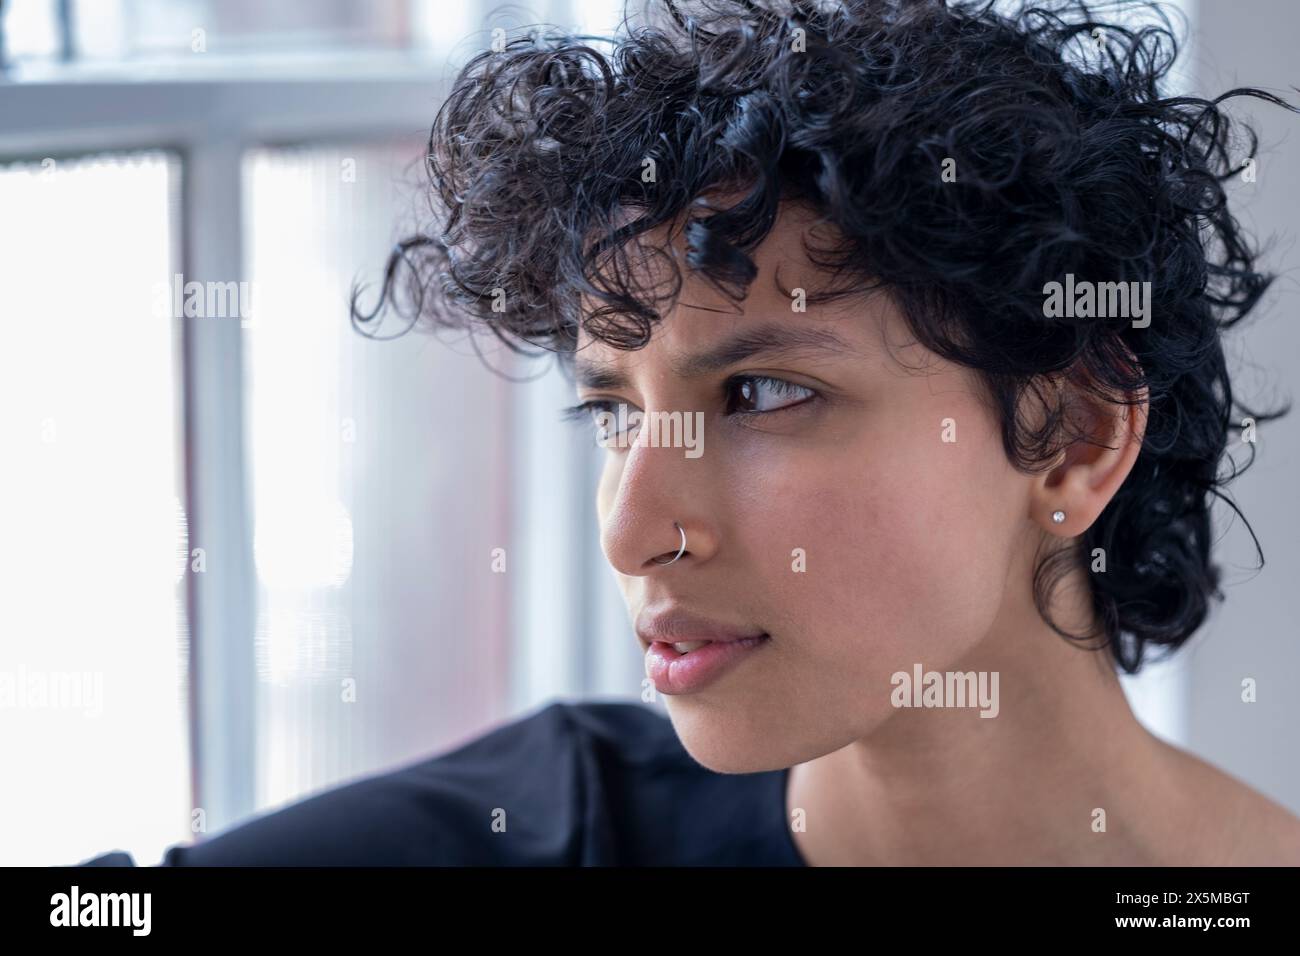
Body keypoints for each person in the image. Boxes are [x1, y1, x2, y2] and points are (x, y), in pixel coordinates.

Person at [85, 0, 1300, 866]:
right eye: (614, 409)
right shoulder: (530, 832)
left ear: (1074, 435)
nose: (632, 529)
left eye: (764, 393)